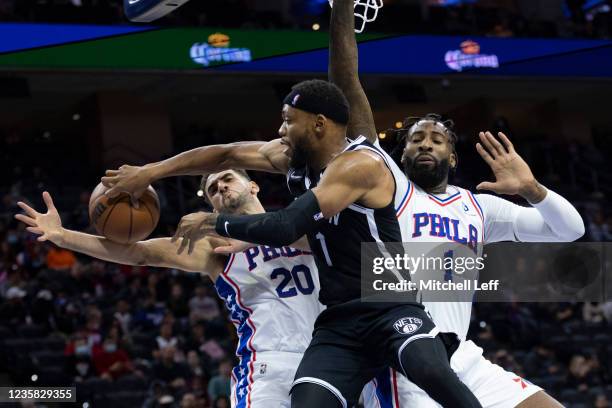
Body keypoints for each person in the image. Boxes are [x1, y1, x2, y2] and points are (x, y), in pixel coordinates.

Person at [103, 79, 482, 407]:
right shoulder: (291, 159)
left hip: (389, 304)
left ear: (318, 124)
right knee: (307, 400)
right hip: (340, 318)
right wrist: (152, 171)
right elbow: (226, 153)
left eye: (288, 121)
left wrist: (216, 221)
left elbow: (287, 225)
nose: (280, 129)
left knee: (433, 373)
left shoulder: (358, 165)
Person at [327, 1, 584, 407]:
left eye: (437, 139)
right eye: (415, 139)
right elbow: (346, 90)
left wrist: (532, 187)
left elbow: (571, 230)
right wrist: (342, 10)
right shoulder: (387, 188)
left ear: (453, 157)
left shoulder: (479, 207)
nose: (425, 143)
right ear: (402, 153)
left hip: (461, 355)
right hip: (402, 358)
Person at [14, 169, 322, 408]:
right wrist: (63, 237)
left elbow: (368, 246)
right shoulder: (212, 247)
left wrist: (373, 302)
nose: (221, 188)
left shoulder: (302, 223)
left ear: (253, 186)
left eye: (227, 179)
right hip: (268, 361)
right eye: (212, 189)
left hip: (330, 353)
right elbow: (138, 253)